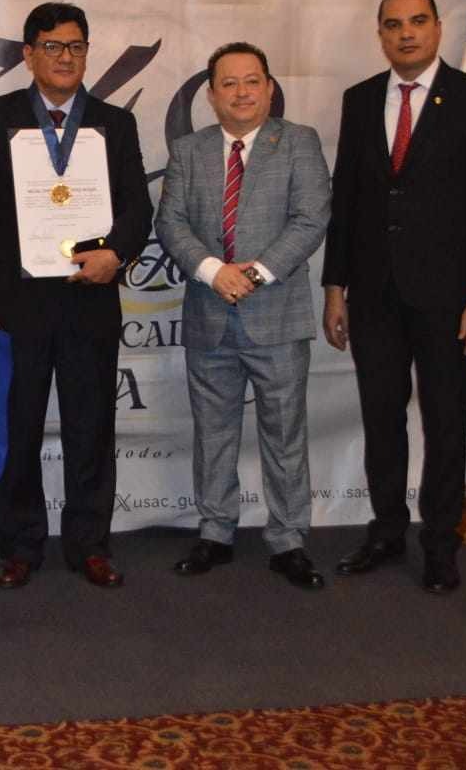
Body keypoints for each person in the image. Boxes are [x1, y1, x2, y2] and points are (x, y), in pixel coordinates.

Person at [0, 2, 153, 590]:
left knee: (92, 427)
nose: (66, 57)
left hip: (90, 299)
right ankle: (20, 545)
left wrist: (116, 253)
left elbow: (137, 208)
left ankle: (90, 544)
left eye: (76, 46)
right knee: (17, 428)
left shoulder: (115, 123)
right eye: (53, 46)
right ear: (28, 54)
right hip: (12, 305)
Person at [321, 0, 466, 595]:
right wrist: (335, 286)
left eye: (417, 21)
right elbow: (346, 201)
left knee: (446, 421)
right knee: (381, 419)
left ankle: (441, 544)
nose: (406, 33)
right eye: (393, 24)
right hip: (374, 295)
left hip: (449, 298)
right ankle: (386, 532)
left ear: (437, 27)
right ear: (380, 33)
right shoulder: (360, 100)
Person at [155, 42, 331, 589]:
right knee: (213, 433)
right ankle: (215, 532)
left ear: (270, 88)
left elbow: (311, 219)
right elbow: (170, 223)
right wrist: (214, 272)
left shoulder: (298, 142)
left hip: (277, 315)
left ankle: (288, 539)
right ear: (211, 95)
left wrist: (252, 274)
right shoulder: (189, 151)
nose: (241, 92)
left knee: (284, 433)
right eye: (228, 83)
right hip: (209, 314)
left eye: (252, 81)